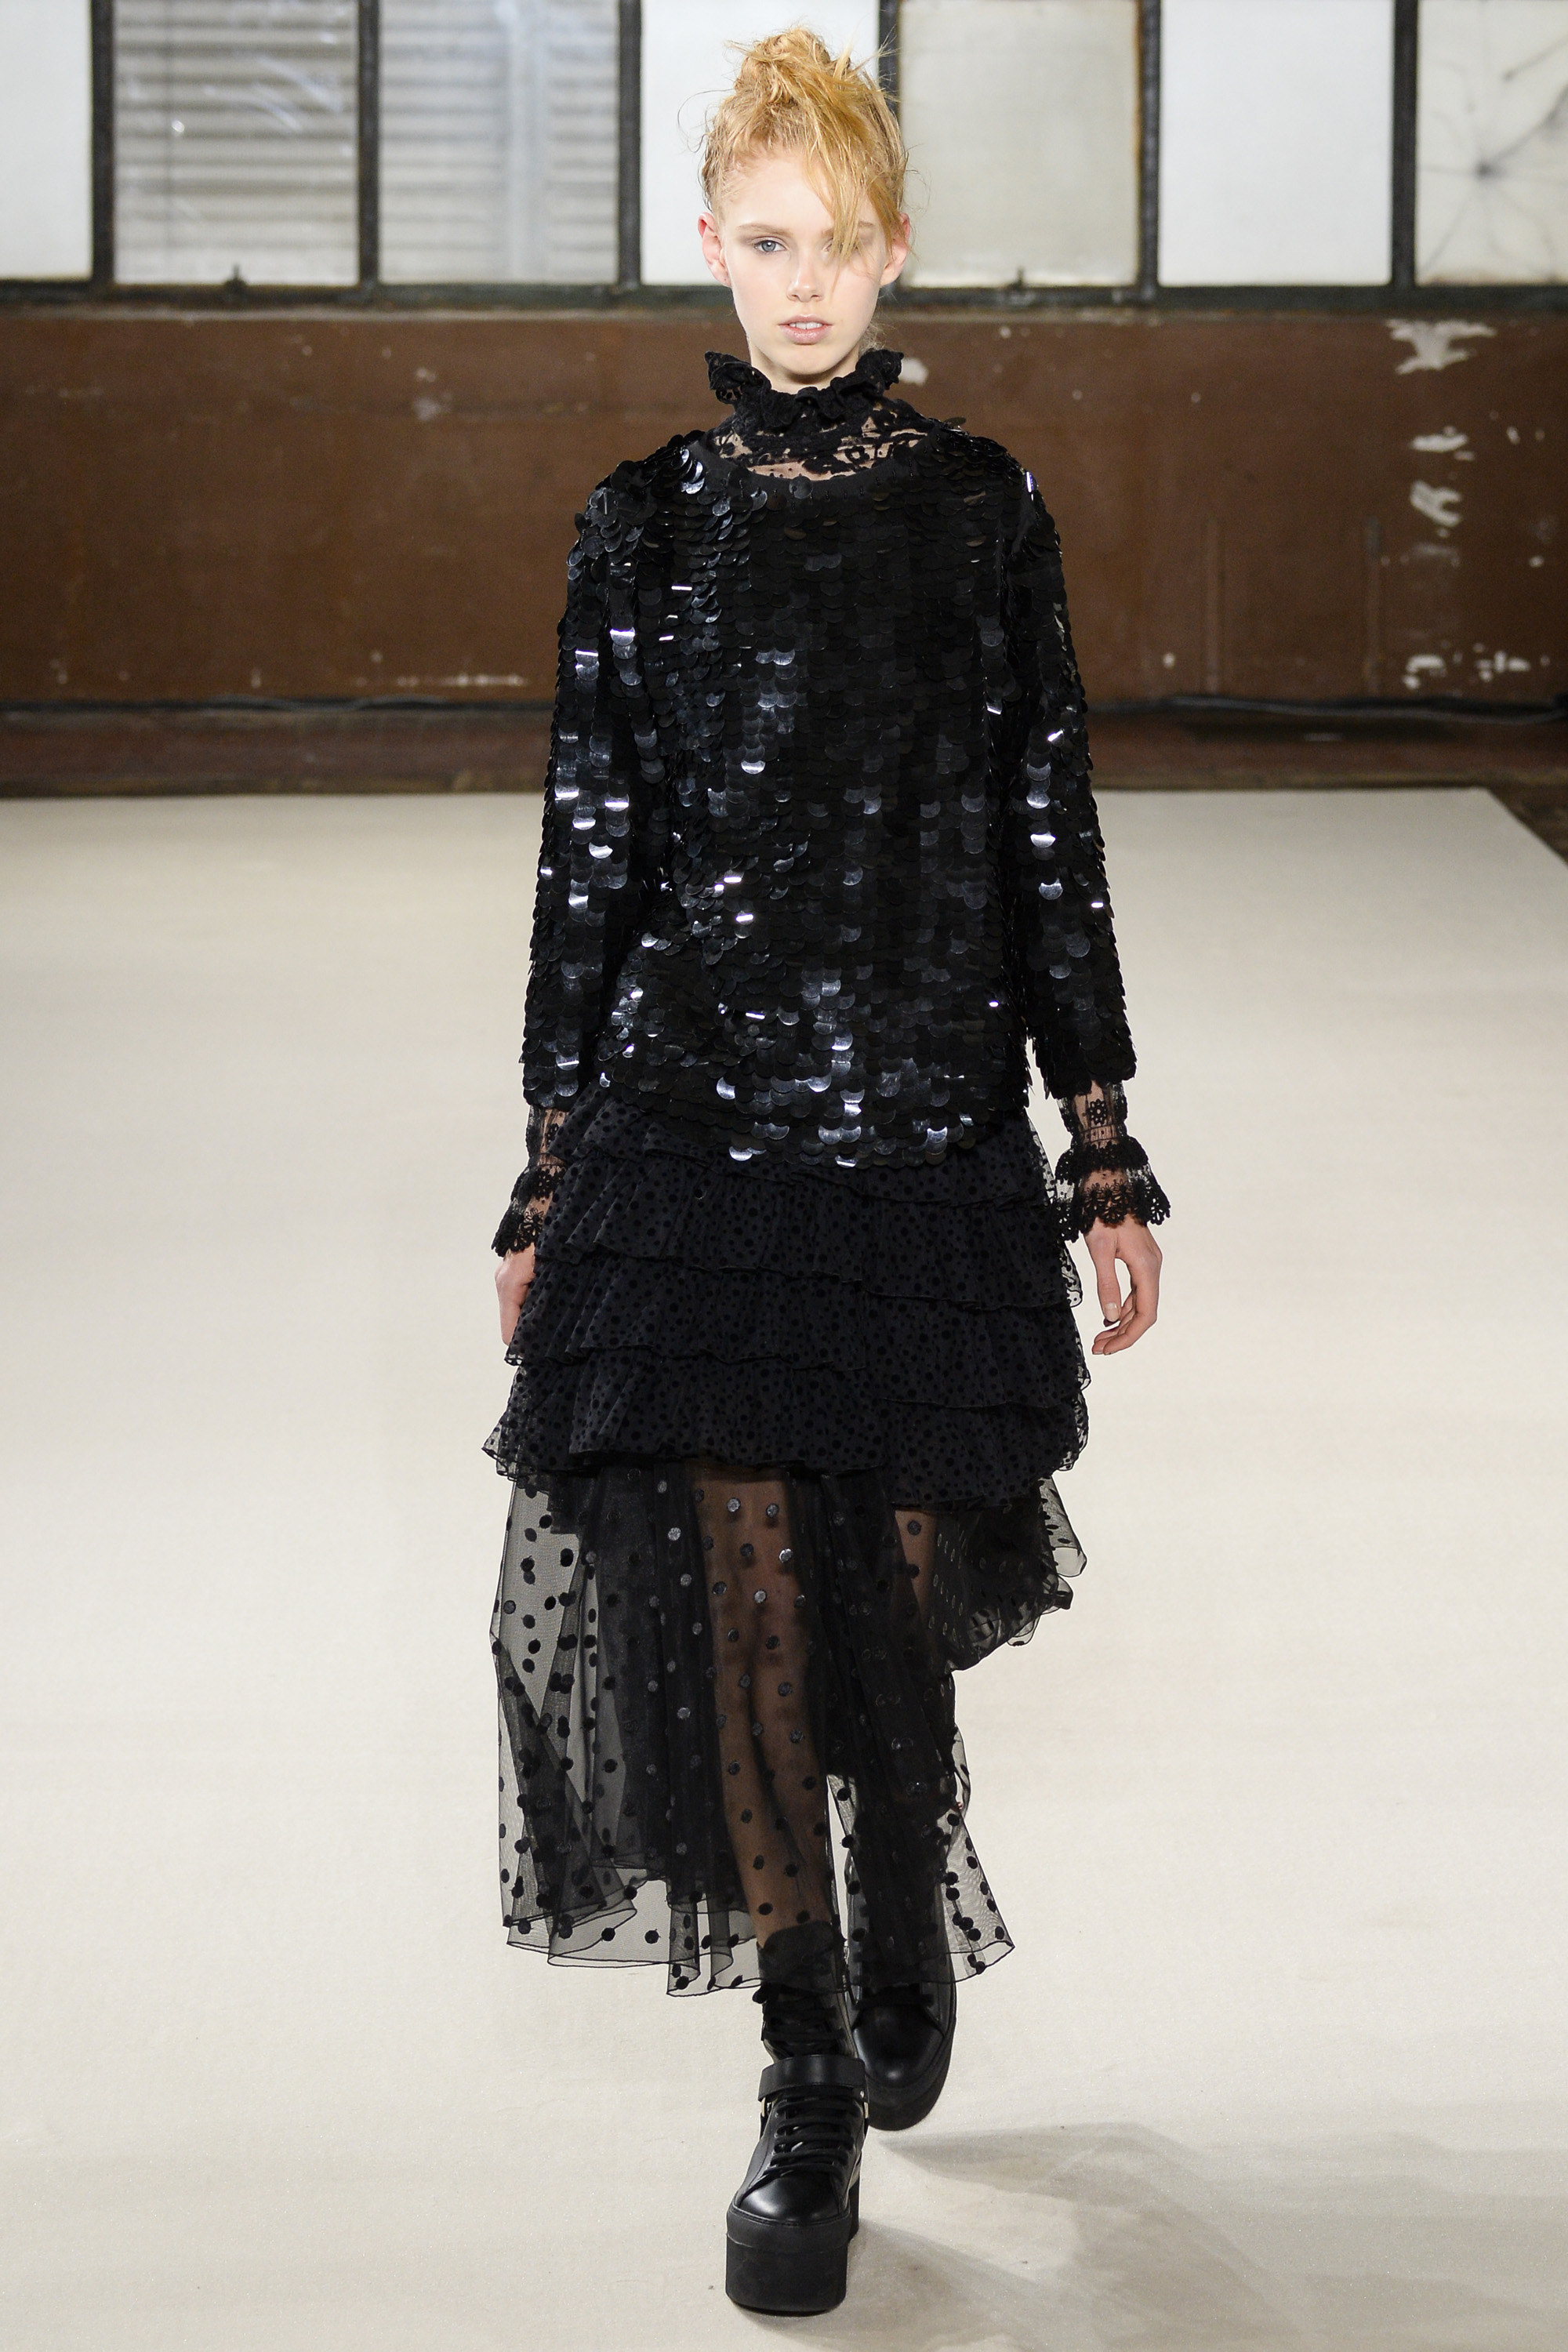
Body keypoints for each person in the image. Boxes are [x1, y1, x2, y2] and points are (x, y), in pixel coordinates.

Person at [487, 27, 1167, 2317]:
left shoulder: (981, 513)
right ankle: (799, 2073)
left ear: (895, 254)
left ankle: (900, 1868)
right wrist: (548, 1169)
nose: (801, 283)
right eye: (765, 241)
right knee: (747, 1607)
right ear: (710, 243)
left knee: (889, 1589)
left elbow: (1043, 828)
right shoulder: (643, 526)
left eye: (839, 243)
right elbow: (593, 862)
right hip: (697, 1138)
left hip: (922, 1131)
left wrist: (1100, 1141)